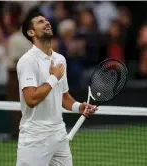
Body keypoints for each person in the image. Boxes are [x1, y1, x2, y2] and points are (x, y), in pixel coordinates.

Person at [16, 11, 97, 166]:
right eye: (40, 22)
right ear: (31, 32)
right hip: (35, 137)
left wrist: (79, 107)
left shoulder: (60, 59)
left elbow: (64, 97)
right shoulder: (27, 61)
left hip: (59, 134)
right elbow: (31, 99)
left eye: (46, 20)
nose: (46, 23)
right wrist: (53, 78)